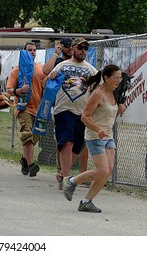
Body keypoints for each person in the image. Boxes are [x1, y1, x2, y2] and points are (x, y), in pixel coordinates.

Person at [62, 64, 122, 212]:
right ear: (106, 78)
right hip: (95, 137)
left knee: (107, 171)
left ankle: (86, 201)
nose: (118, 81)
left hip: (108, 137)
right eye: (116, 78)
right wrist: (98, 129)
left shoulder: (114, 92)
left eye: (120, 78)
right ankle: (71, 181)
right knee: (102, 170)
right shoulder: (97, 94)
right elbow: (85, 117)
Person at [48, 37, 98, 189]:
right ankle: (67, 178)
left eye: (86, 48)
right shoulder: (62, 65)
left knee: (77, 146)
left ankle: (63, 173)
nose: (83, 51)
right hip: (63, 109)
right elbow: (46, 83)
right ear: (73, 49)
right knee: (67, 141)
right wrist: (50, 77)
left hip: (82, 112)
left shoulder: (91, 70)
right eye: (80, 47)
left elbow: (100, 88)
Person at [6, 42, 47, 177]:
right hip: (23, 108)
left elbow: (45, 86)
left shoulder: (40, 69)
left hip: (38, 109)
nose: (32, 52)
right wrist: (19, 91)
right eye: (29, 50)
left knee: (35, 137)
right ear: (24, 52)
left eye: (34, 50)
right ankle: (31, 165)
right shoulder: (16, 71)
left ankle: (24, 159)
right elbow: (9, 91)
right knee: (27, 134)